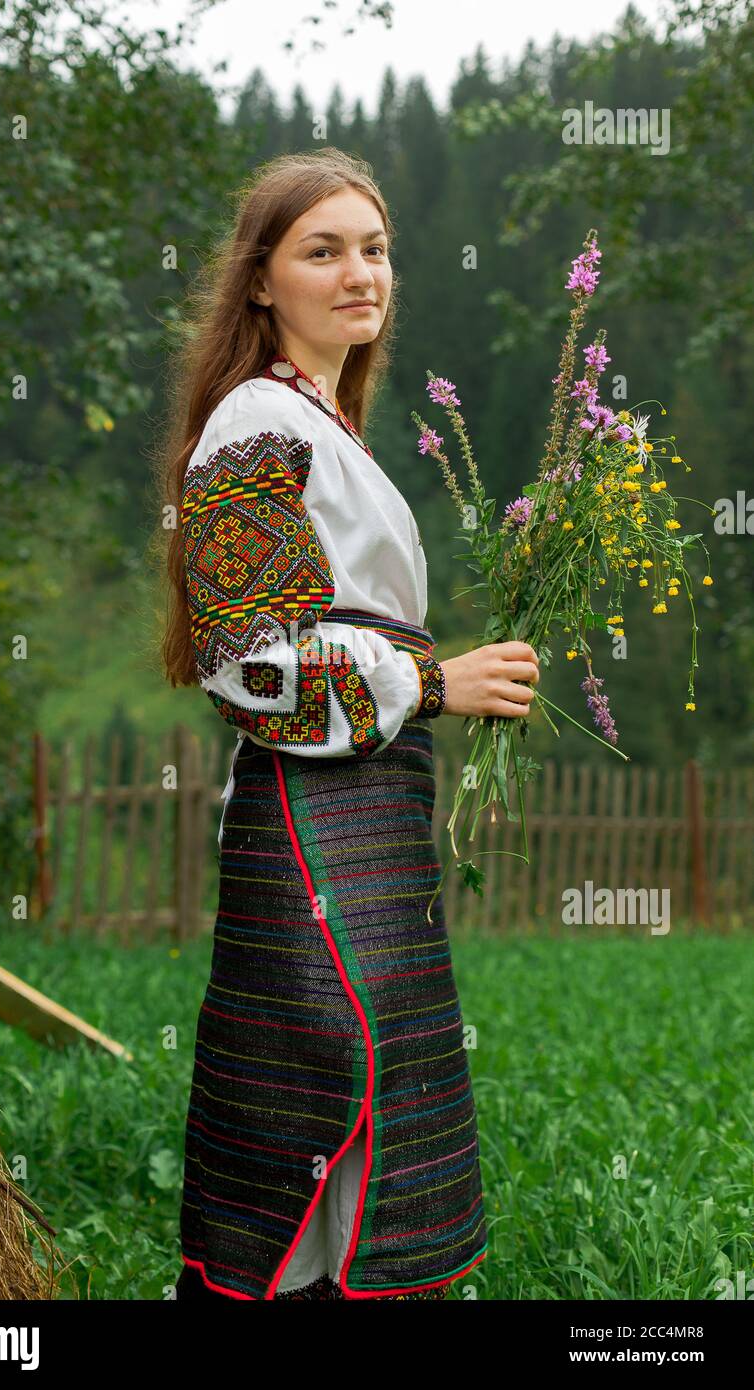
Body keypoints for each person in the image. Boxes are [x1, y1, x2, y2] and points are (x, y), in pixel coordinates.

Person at [156, 148, 539, 1302]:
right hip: (306, 817)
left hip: (373, 801)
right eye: (322, 250)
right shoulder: (253, 424)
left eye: (372, 248)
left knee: (382, 1089)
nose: (359, 272)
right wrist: (432, 683)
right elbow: (249, 666)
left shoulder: (326, 422)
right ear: (261, 280)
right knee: (323, 1081)